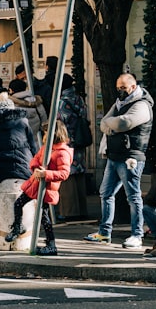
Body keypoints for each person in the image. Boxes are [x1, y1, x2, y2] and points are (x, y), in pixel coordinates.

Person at [85, 73, 154, 249]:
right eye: (118, 87)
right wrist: (111, 124)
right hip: (115, 155)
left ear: (133, 86)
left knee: (133, 196)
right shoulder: (120, 103)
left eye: (123, 87)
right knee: (106, 193)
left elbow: (124, 123)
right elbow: (103, 123)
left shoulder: (142, 105)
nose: (120, 91)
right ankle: (104, 232)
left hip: (131, 157)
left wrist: (112, 124)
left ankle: (137, 235)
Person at [5, 120, 73, 256]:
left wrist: (46, 174)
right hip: (35, 184)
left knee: (44, 217)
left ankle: (51, 244)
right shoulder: (46, 147)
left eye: (47, 132)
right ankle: (18, 227)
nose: (44, 135)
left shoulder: (62, 152)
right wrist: (36, 168)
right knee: (18, 203)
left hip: (46, 188)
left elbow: (64, 173)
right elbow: (35, 159)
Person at [0, 92, 38, 188]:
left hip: (1, 167)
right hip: (25, 165)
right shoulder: (22, 121)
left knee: (2, 198)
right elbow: (32, 146)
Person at [56, 74, 89, 219]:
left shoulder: (62, 102)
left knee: (66, 175)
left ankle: (69, 211)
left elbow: (60, 123)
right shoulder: (78, 99)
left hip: (67, 141)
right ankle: (81, 209)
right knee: (79, 175)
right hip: (80, 140)